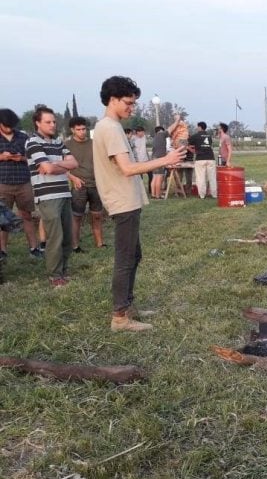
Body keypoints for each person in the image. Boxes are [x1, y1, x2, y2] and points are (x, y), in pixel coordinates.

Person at [92, 76, 186, 332]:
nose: (132, 108)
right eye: (128, 103)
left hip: (127, 201)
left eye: (133, 103)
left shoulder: (110, 127)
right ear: (112, 100)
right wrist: (165, 160)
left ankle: (127, 306)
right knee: (125, 259)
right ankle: (120, 317)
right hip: (121, 202)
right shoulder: (110, 128)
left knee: (134, 255)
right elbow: (128, 168)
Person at [25, 106, 79, 288]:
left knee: (66, 236)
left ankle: (63, 271)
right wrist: (62, 165)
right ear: (37, 123)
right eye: (48, 122)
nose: (52, 125)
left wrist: (54, 164)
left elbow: (74, 163)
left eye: (54, 121)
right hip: (47, 196)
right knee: (55, 236)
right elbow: (47, 169)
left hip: (64, 192)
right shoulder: (32, 142)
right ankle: (55, 275)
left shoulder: (57, 142)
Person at [0, 108, 42, 261]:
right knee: (3, 220)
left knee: (27, 215)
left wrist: (21, 158)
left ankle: (34, 248)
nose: (10, 128)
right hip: (3, 184)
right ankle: (2, 251)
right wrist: (2, 157)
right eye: (6, 125)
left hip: (23, 182)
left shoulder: (23, 137)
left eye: (12, 125)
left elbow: (32, 158)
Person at [65, 117, 107, 252]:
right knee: (77, 217)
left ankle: (100, 243)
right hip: (79, 186)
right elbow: (61, 167)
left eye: (84, 129)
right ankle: (75, 245)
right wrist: (72, 178)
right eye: (79, 129)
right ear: (72, 130)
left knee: (97, 215)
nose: (82, 132)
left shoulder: (94, 143)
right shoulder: (66, 145)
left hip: (96, 184)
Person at [189, 122, 217, 199]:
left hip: (200, 158)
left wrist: (189, 147)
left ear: (200, 127)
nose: (196, 128)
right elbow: (207, 145)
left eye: (197, 127)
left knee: (201, 178)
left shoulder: (196, 135)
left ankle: (202, 195)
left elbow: (186, 142)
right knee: (212, 178)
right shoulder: (209, 136)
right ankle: (214, 194)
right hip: (211, 158)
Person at [149, 126, 167, 199]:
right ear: (159, 131)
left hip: (154, 158)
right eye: (162, 132)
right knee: (159, 177)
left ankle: (153, 194)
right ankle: (158, 195)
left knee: (154, 177)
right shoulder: (161, 138)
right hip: (160, 158)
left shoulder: (155, 138)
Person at [132, 126, 151, 192]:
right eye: (142, 132)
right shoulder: (133, 139)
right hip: (138, 161)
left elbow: (145, 147)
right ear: (137, 132)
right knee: (140, 177)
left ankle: (150, 190)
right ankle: (140, 191)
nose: (143, 133)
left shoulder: (144, 137)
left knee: (151, 175)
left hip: (146, 160)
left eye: (143, 132)